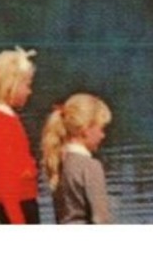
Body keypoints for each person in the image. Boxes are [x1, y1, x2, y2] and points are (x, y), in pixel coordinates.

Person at [0, 46, 39, 224]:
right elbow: (4, 180)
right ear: (11, 85)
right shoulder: (1, 124)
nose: (30, 91)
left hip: (4, 205)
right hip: (13, 208)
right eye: (27, 85)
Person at [41, 93, 113, 224]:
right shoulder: (91, 166)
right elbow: (101, 219)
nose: (103, 136)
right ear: (85, 129)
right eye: (101, 129)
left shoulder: (58, 161)